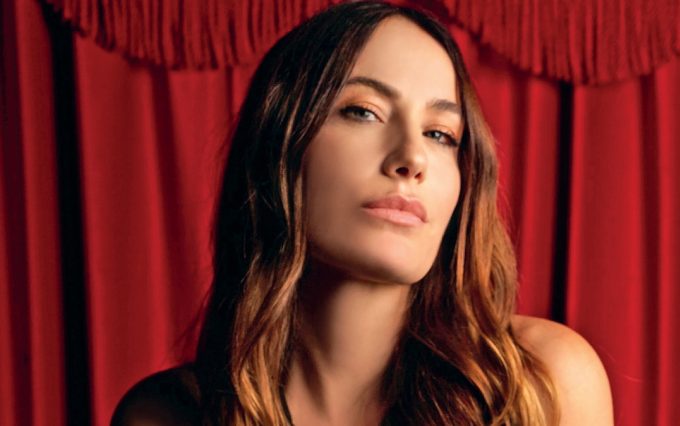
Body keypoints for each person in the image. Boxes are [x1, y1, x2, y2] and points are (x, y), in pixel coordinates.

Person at [111, 1, 613, 425]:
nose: (412, 158)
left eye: (440, 134)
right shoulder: (164, 414)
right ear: (280, 142)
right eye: (364, 111)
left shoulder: (543, 384)